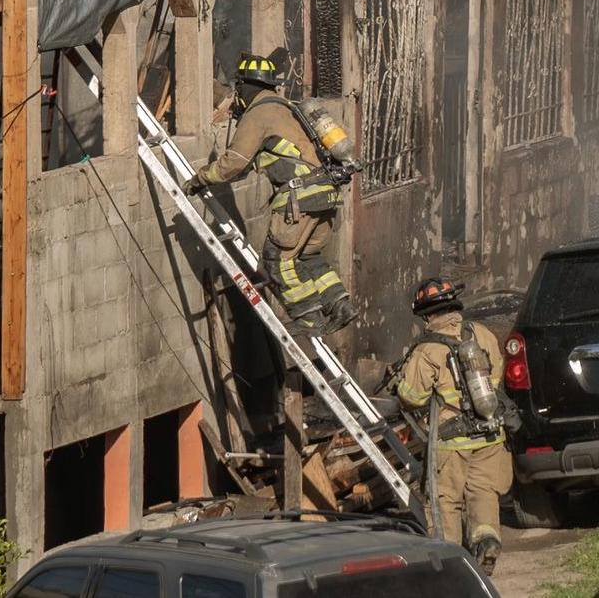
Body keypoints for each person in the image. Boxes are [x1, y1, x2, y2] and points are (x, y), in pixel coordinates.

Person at [184, 53, 357, 335]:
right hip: (326, 193)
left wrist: (200, 179)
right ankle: (340, 304)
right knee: (308, 256)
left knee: (277, 258)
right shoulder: (286, 108)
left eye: (238, 88)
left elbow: (234, 162)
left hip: (299, 198)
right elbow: (253, 163)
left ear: (245, 87)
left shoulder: (258, 114)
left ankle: (308, 317)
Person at [395, 277, 512, 574]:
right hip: (490, 436)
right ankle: (486, 541)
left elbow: (412, 397)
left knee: (446, 502)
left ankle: (449, 565)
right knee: (483, 493)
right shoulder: (481, 334)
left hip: (451, 443)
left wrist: (400, 384)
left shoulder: (427, 350)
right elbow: (496, 377)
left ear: (427, 314)